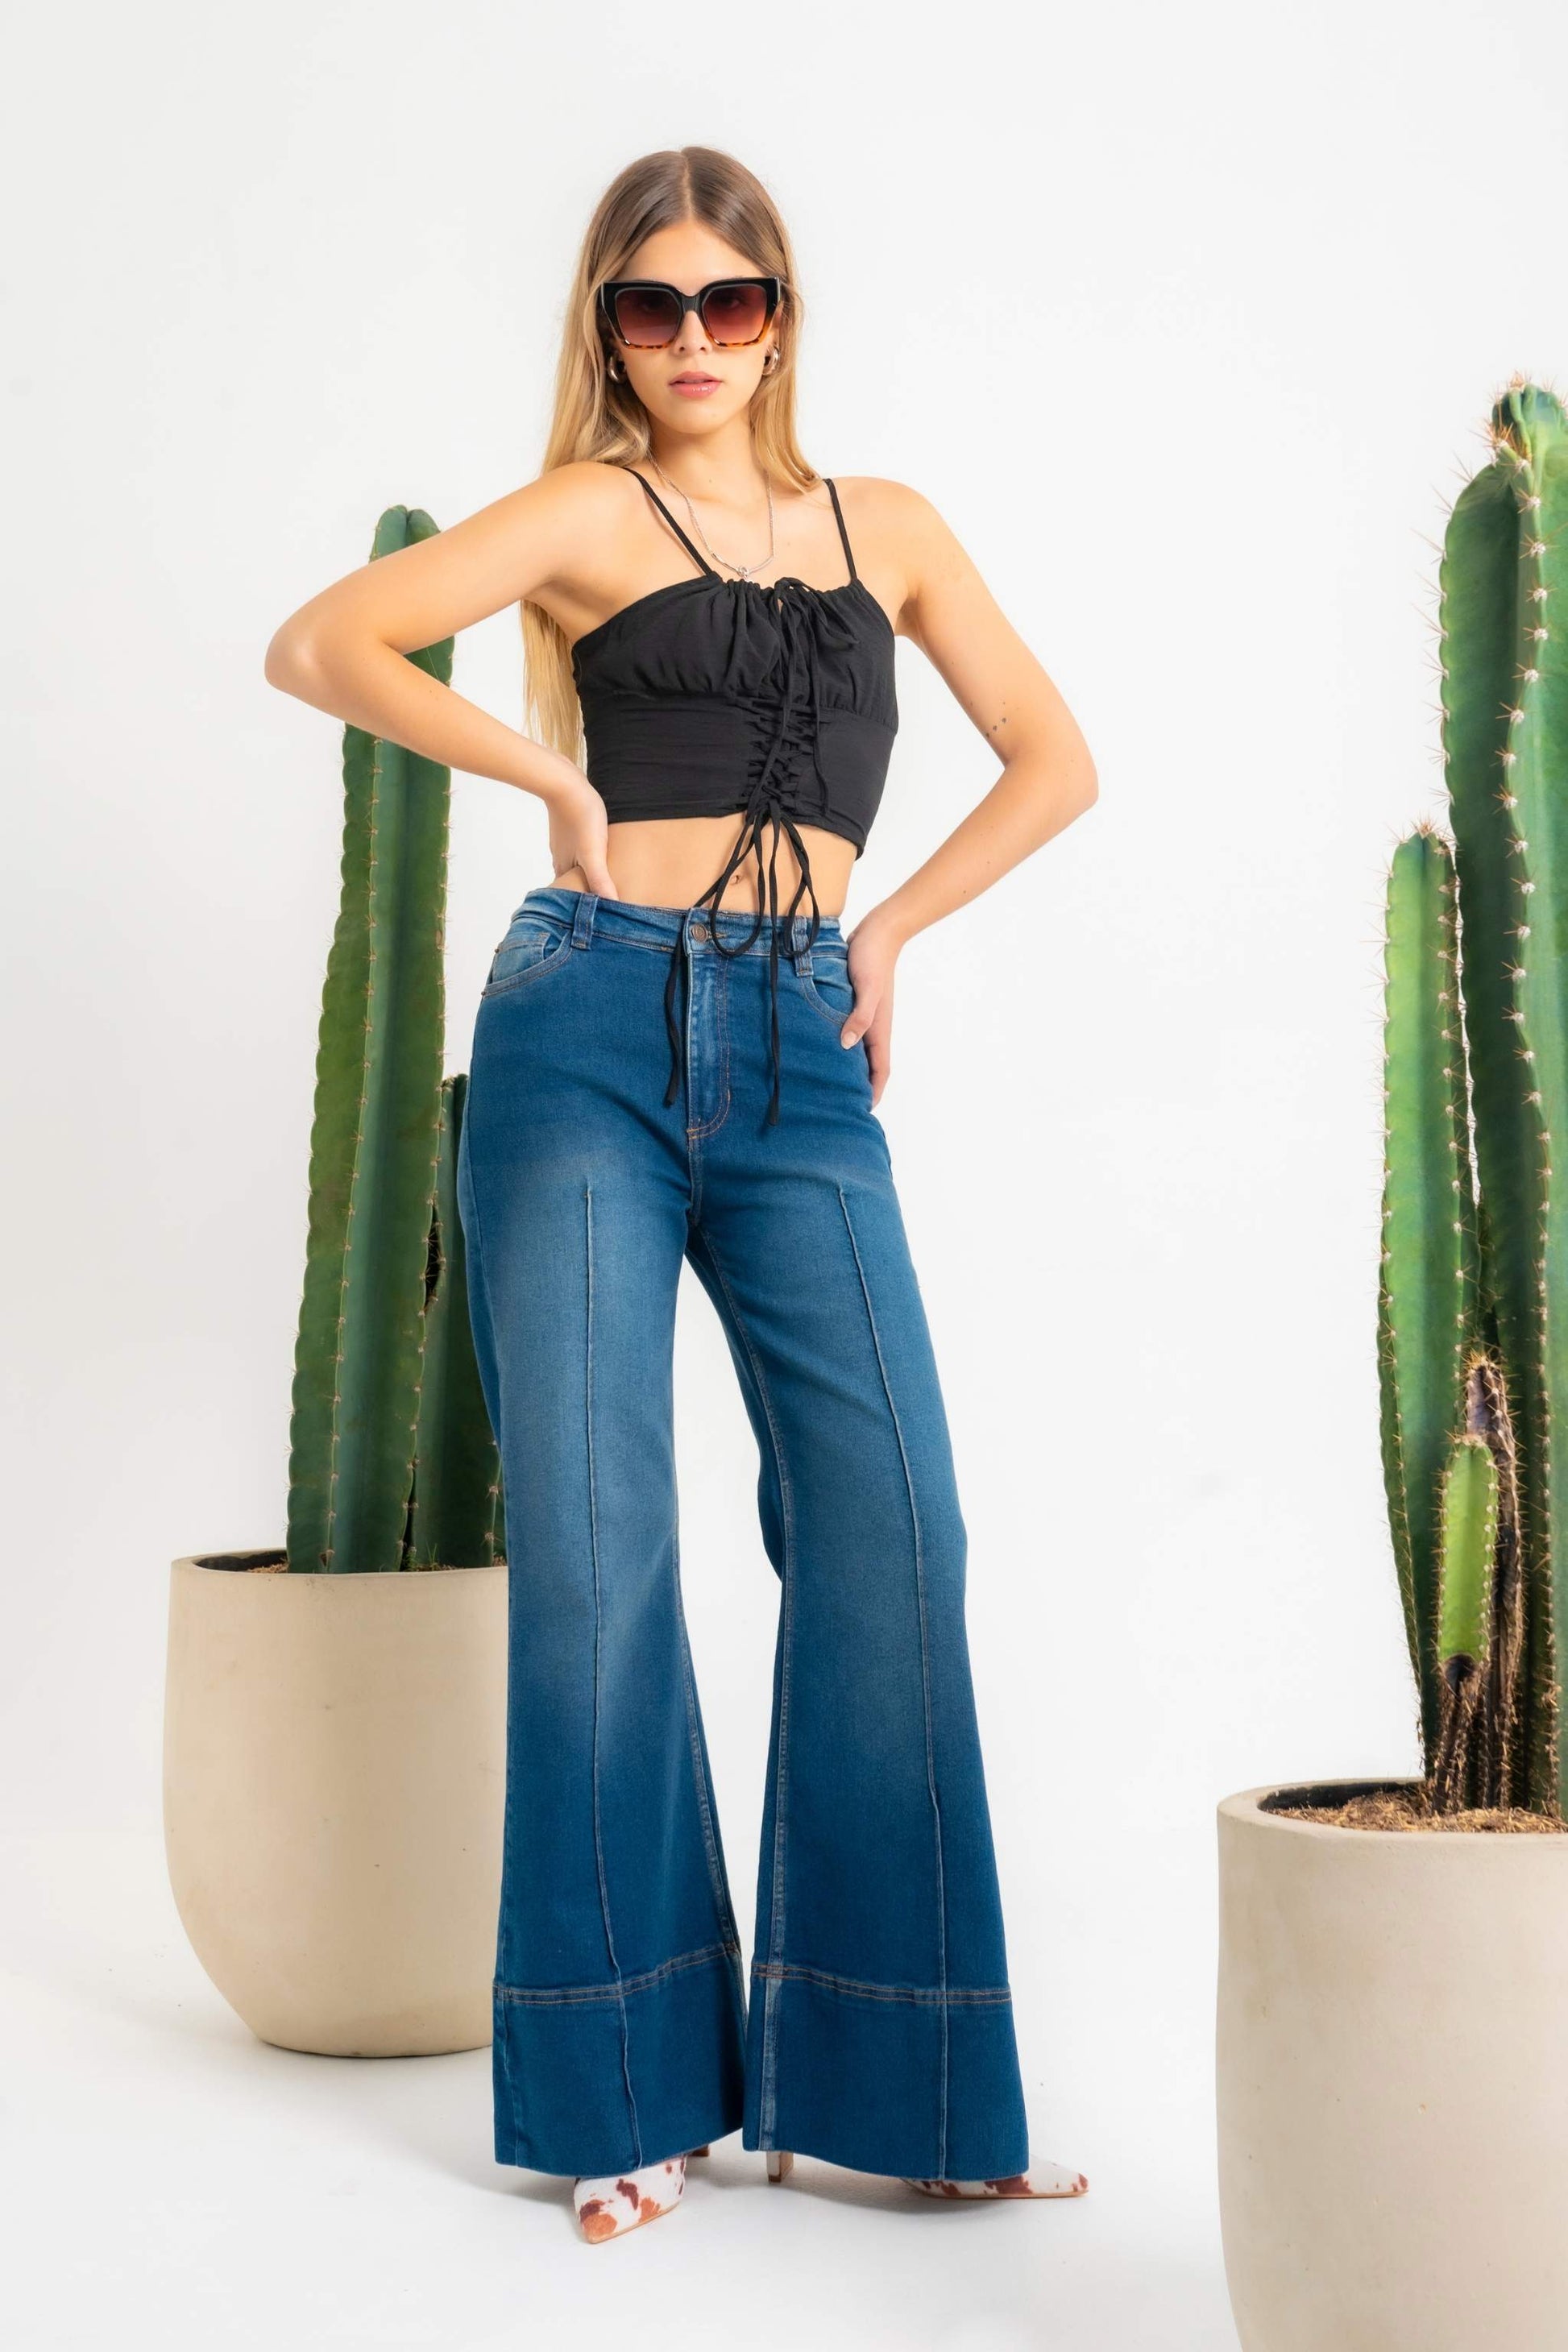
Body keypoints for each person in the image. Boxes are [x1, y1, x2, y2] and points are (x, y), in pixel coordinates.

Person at [264, 144, 1097, 2246]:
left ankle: (903, 2088)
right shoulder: (582, 514)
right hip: (587, 1027)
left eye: (734, 301)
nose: (698, 339)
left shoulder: (889, 528)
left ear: (783, 316)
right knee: (599, 1545)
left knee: (897, 1520)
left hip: (804, 1045)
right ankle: (618, 2099)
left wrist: (887, 929)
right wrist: (545, 775)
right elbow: (325, 640)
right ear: (610, 331)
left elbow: (1055, 758)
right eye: (655, 307)